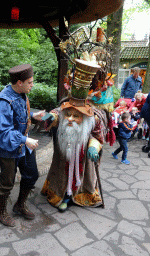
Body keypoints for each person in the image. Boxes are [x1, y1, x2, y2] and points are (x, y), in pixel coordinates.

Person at [41, 59, 114, 212]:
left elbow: (97, 136)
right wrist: (52, 117)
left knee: (83, 174)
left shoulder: (94, 116)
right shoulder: (63, 107)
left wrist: (93, 147)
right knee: (61, 173)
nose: (71, 119)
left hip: (82, 155)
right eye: (69, 114)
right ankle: (62, 194)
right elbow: (57, 112)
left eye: (77, 116)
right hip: (63, 153)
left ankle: (77, 194)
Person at [0, 64, 45, 227]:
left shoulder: (21, 93)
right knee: (7, 181)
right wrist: (25, 140)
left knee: (32, 174)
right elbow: (2, 132)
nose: (32, 85)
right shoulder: (3, 101)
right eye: (30, 82)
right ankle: (1, 212)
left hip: (23, 145)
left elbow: (18, 113)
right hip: (8, 148)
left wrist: (33, 115)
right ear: (19, 82)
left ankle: (19, 205)